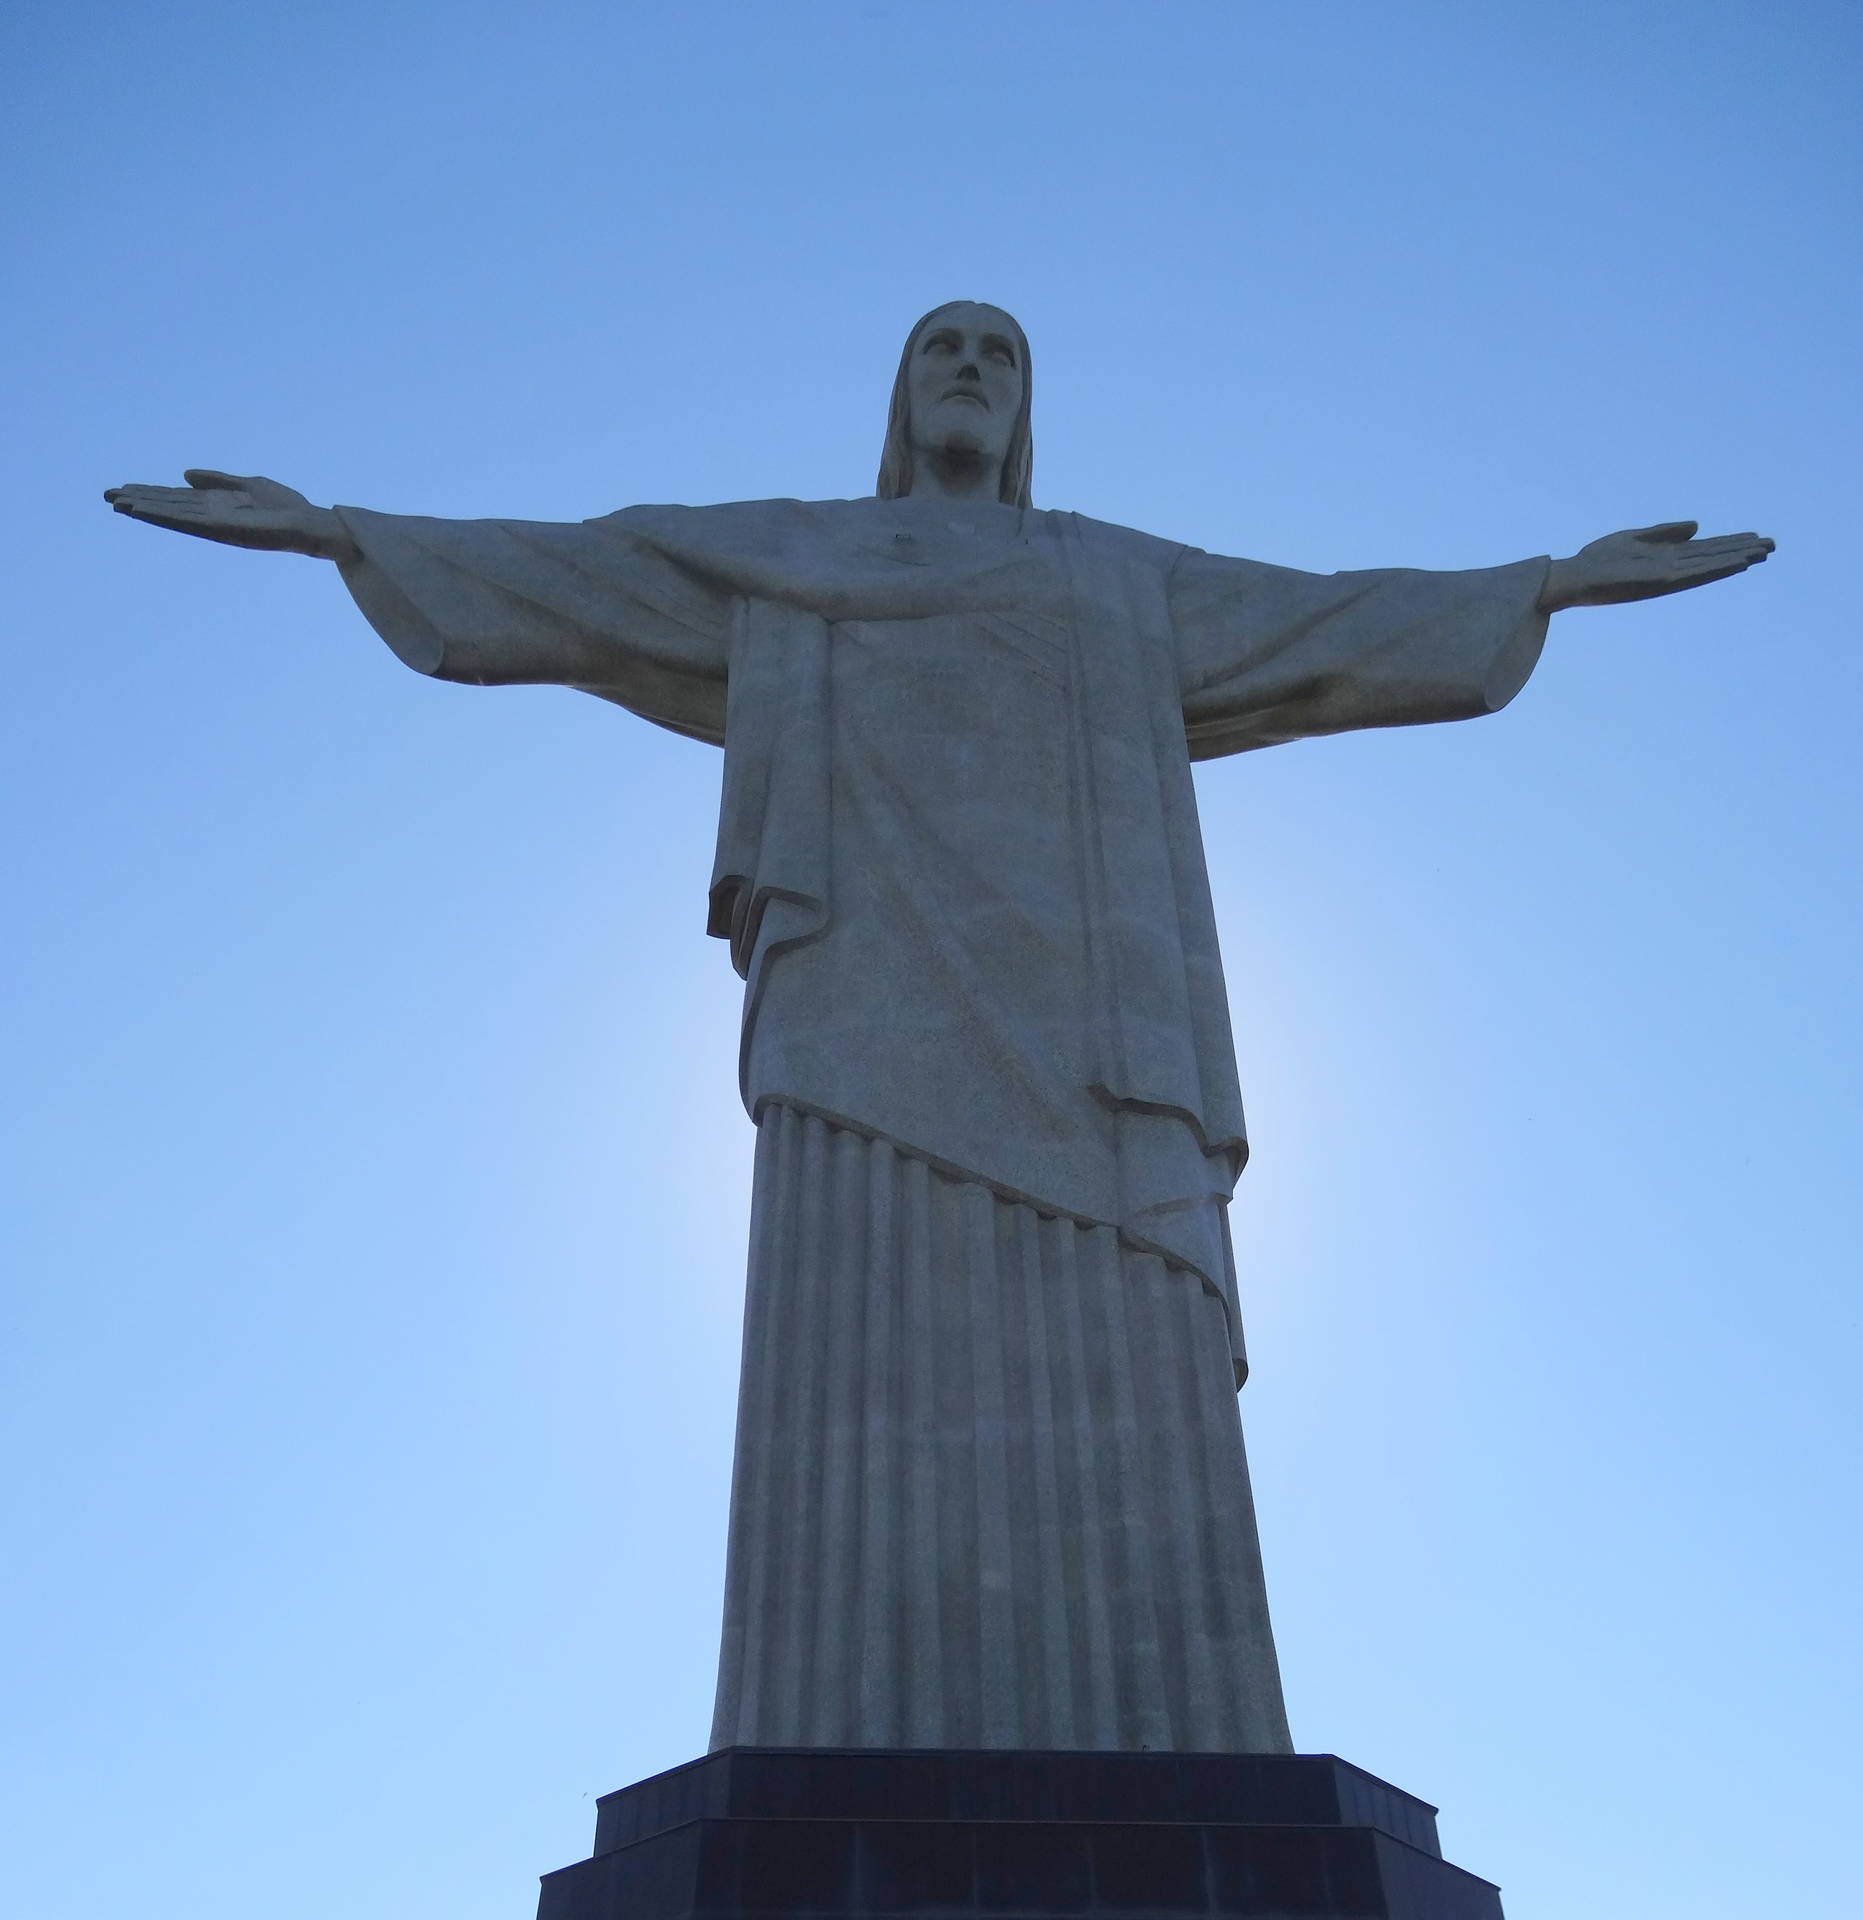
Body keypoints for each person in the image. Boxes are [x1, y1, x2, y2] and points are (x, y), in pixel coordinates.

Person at [106, 300, 1772, 1755]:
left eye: (999, 354)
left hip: (1100, 1045)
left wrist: (1549, 582)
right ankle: (830, 1719)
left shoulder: (1112, 581)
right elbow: (582, 574)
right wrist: (342, 532)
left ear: (1024, 408)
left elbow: (1325, 623)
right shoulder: (794, 556)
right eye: (941, 349)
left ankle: (1178, 1738)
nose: (968, 371)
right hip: (861, 1032)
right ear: (901, 399)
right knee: (854, 1355)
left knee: (1133, 1352)